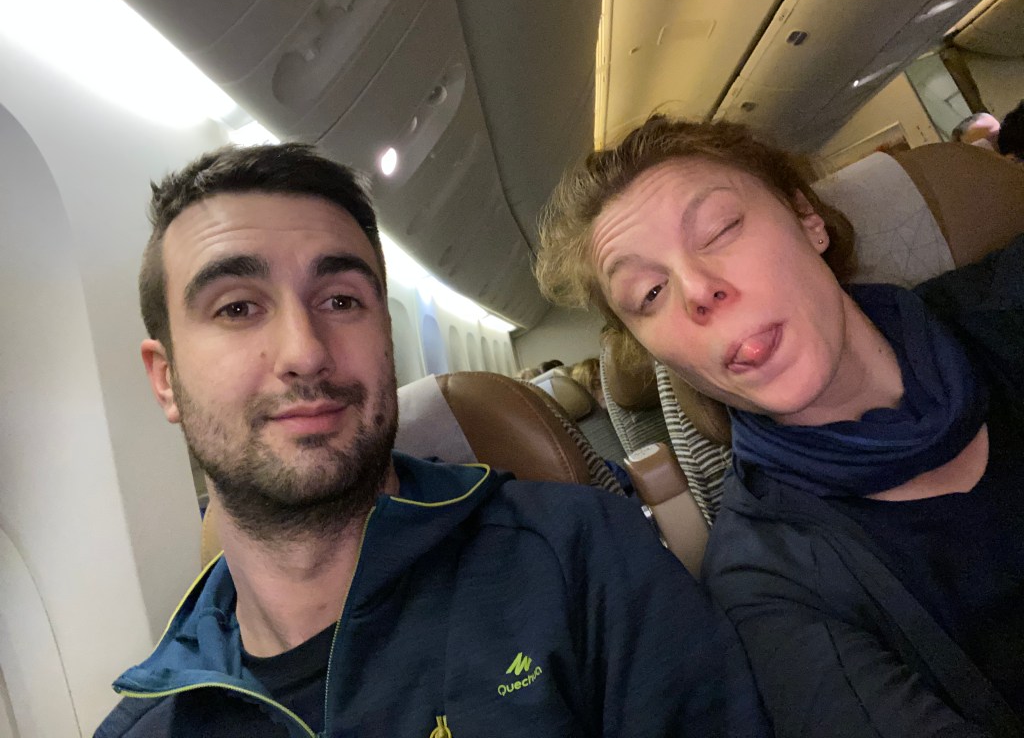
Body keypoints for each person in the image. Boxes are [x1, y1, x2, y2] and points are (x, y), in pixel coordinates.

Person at [96, 142, 769, 738]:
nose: (304, 352)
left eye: (341, 301)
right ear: (165, 380)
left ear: (386, 339)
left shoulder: (582, 558)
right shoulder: (150, 726)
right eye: (237, 308)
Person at [535, 115, 1024, 737]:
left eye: (721, 229)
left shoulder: (1008, 302)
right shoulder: (765, 587)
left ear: (808, 220)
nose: (698, 291)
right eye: (650, 293)